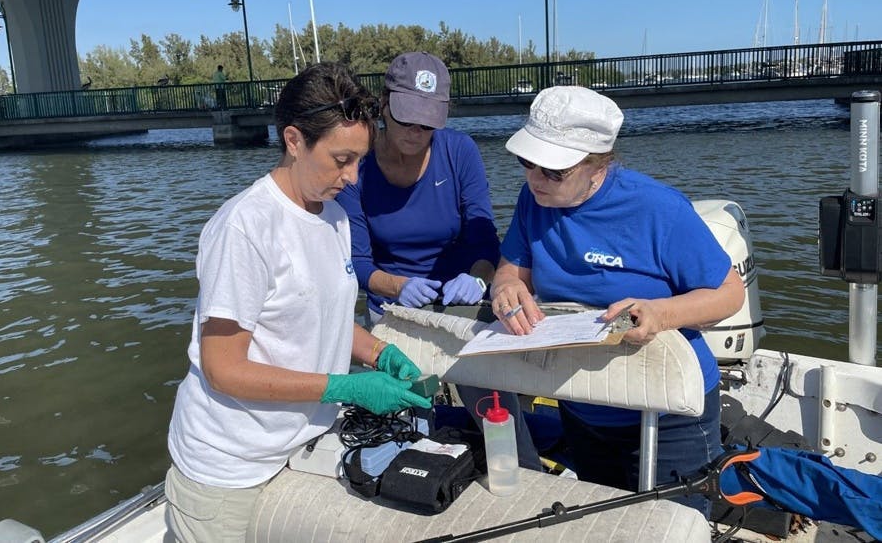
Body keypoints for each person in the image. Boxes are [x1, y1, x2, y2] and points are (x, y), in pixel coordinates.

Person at [165, 62, 430, 542]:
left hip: (302, 448)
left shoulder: (334, 217)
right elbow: (224, 369)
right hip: (229, 469)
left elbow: (319, 316)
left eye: (359, 161)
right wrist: (346, 388)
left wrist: (377, 353)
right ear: (293, 140)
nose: (352, 177)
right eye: (340, 159)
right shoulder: (244, 228)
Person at [490, 85, 745, 516]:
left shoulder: (658, 208)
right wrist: (505, 286)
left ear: (598, 165)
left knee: (671, 525)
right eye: (527, 163)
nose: (535, 179)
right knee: (605, 522)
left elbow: (730, 292)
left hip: (668, 411)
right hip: (583, 403)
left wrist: (661, 313)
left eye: (553, 171)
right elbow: (511, 267)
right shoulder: (533, 200)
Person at [336, 51, 540, 471]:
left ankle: (524, 470)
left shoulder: (459, 151)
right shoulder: (358, 166)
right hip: (393, 303)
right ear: (384, 104)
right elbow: (355, 262)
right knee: (411, 417)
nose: (416, 130)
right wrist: (398, 286)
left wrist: (480, 277)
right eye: (406, 116)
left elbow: (483, 234)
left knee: (491, 400)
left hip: (460, 296)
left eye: (428, 121)